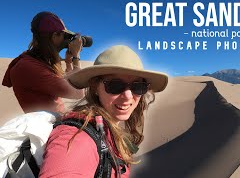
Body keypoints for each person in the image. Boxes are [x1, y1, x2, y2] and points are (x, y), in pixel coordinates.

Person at [39, 45, 169, 178]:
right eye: (115, 85)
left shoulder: (108, 130)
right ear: (95, 87)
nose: (128, 96)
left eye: (138, 87)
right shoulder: (76, 136)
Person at [2, 11, 85, 114]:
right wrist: (76, 57)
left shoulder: (35, 60)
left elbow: (68, 82)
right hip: (48, 126)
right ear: (55, 36)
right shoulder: (29, 67)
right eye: (64, 35)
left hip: (54, 119)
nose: (66, 40)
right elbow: (78, 93)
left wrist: (68, 62)